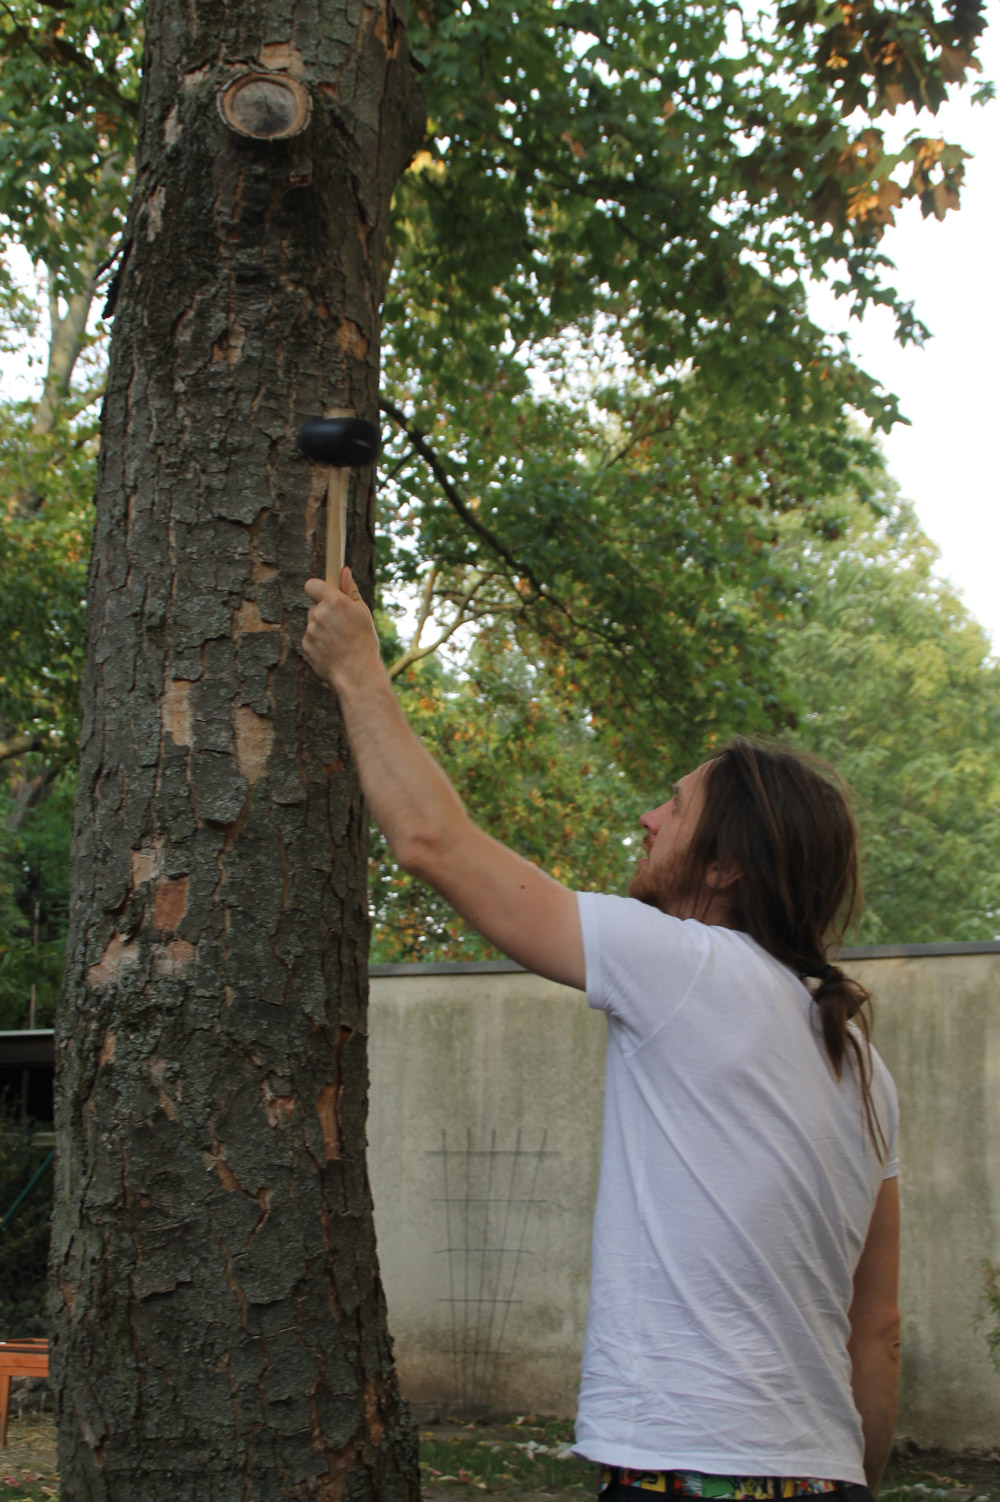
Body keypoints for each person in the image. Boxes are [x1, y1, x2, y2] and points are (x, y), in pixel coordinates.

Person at [302, 569, 901, 1501]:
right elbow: (879, 1328)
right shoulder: (862, 1063)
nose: (648, 817)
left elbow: (434, 843)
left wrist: (357, 670)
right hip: (823, 1474)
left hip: (685, 1469)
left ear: (725, 865)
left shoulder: (686, 964)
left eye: (674, 807)